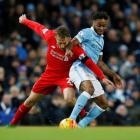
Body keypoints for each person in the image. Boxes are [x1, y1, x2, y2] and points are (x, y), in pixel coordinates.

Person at [9, 14, 113, 125]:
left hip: (65, 76)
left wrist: (101, 76)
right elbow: (38, 27)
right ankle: (12, 125)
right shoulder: (50, 36)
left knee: (69, 99)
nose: (62, 45)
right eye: (60, 42)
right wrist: (24, 20)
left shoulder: (76, 49)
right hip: (48, 75)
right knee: (29, 101)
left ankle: (83, 116)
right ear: (56, 37)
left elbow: (90, 63)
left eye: (65, 43)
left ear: (69, 39)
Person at [68, 11, 123, 127]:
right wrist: (68, 50)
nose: (102, 28)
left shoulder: (101, 40)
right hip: (79, 67)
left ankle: (80, 126)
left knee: (104, 104)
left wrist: (113, 75)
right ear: (93, 23)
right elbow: (72, 43)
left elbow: (100, 63)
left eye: (104, 26)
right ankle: (70, 121)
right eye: (99, 25)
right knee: (89, 89)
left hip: (91, 72)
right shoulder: (86, 32)